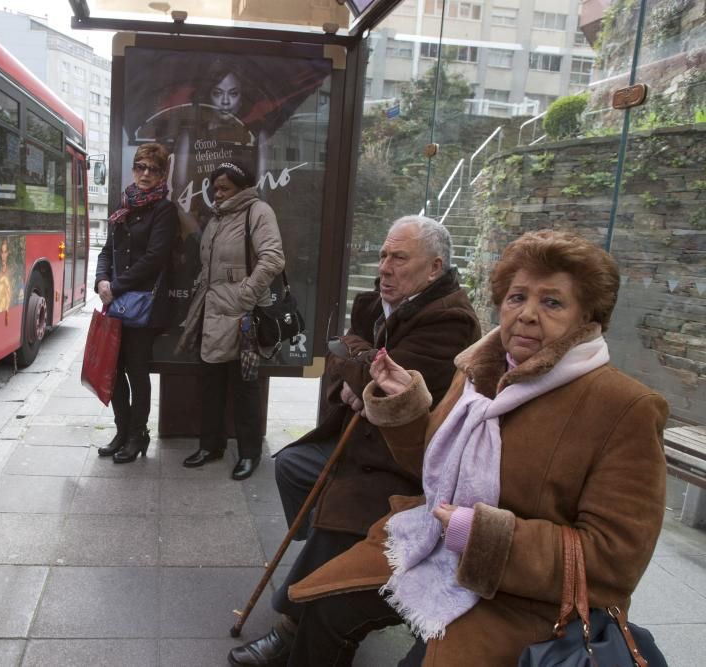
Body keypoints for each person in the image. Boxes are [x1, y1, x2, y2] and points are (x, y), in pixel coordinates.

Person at [285, 230, 669, 666]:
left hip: (524, 601)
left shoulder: (625, 407)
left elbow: (614, 562)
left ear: (588, 319)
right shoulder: (477, 373)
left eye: (552, 302)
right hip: (432, 549)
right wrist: (406, 408)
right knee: (320, 609)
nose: (525, 314)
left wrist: (482, 536)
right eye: (517, 297)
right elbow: (432, 473)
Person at [228, 215, 480, 666]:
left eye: (399, 258)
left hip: (408, 458)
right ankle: (329, 563)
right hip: (362, 437)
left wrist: (356, 362)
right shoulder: (374, 304)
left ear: (434, 267)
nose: (384, 267)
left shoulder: (450, 321)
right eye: (383, 255)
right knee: (292, 466)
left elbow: (378, 382)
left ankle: (292, 626)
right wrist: (357, 365)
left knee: (340, 510)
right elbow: (343, 359)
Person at [177, 160, 284, 481]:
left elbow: (274, 257)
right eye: (214, 189)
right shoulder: (218, 218)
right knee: (210, 385)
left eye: (224, 188)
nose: (217, 194)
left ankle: (250, 454)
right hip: (211, 315)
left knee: (245, 387)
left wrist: (245, 295)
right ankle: (211, 445)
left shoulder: (258, 212)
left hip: (243, 319)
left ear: (242, 187)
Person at [94, 142, 179, 463]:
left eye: (153, 169)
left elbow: (155, 259)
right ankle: (121, 430)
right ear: (133, 169)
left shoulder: (164, 210)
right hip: (116, 302)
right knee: (113, 371)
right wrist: (101, 281)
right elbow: (106, 250)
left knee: (137, 372)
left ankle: (137, 434)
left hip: (144, 306)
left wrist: (114, 286)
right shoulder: (124, 204)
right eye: (140, 167)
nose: (145, 174)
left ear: (162, 175)